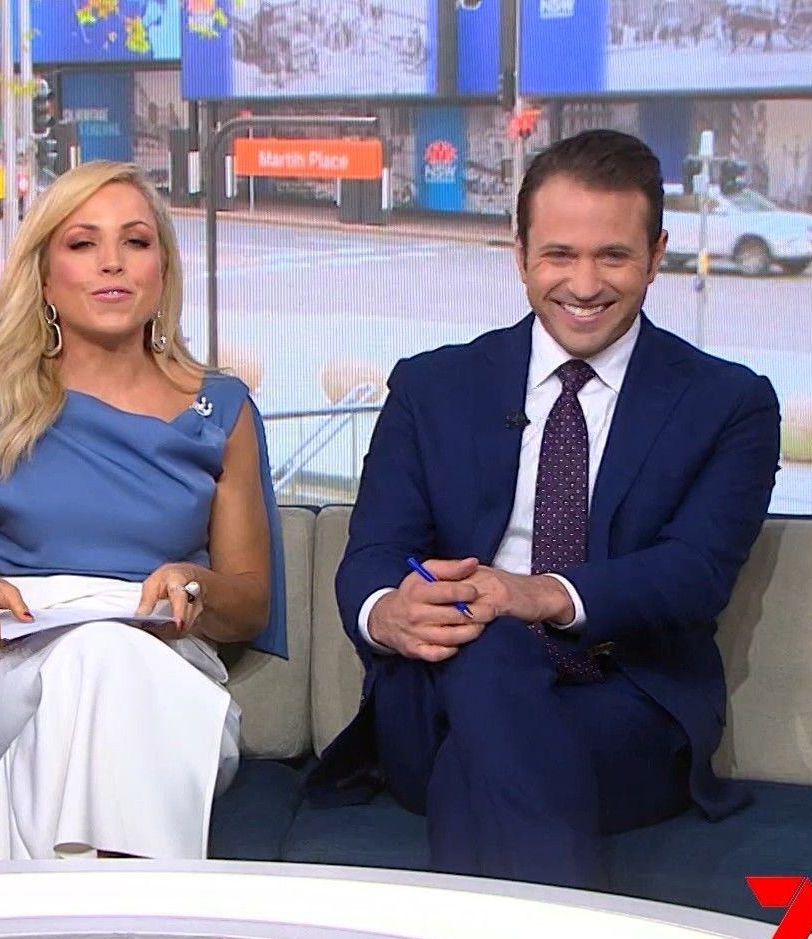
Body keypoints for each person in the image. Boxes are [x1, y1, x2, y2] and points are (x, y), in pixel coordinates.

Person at [305, 129, 781, 890]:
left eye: (613, 256)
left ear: (656, 255)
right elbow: (373, 553)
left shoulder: (728, 403)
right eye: (560, 254)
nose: (584, 285)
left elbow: (696, 572)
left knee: (480, 745)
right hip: (440, 691)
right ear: (521, 252)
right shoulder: (433, 387)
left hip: (624, 703)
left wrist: (538, 595)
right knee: (489, 648)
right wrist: (386, 612)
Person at [0, 160, 287, 861]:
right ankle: (139, 913)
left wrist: (195, 587)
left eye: (135, 241)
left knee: (109, 654)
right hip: (7, 688)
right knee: (92, 652)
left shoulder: (224, 412)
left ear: (162, 270)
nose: (112, 262)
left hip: (172, 689)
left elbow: (251, 606)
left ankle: (44, 915)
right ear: (46, 278)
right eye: (83, 244)